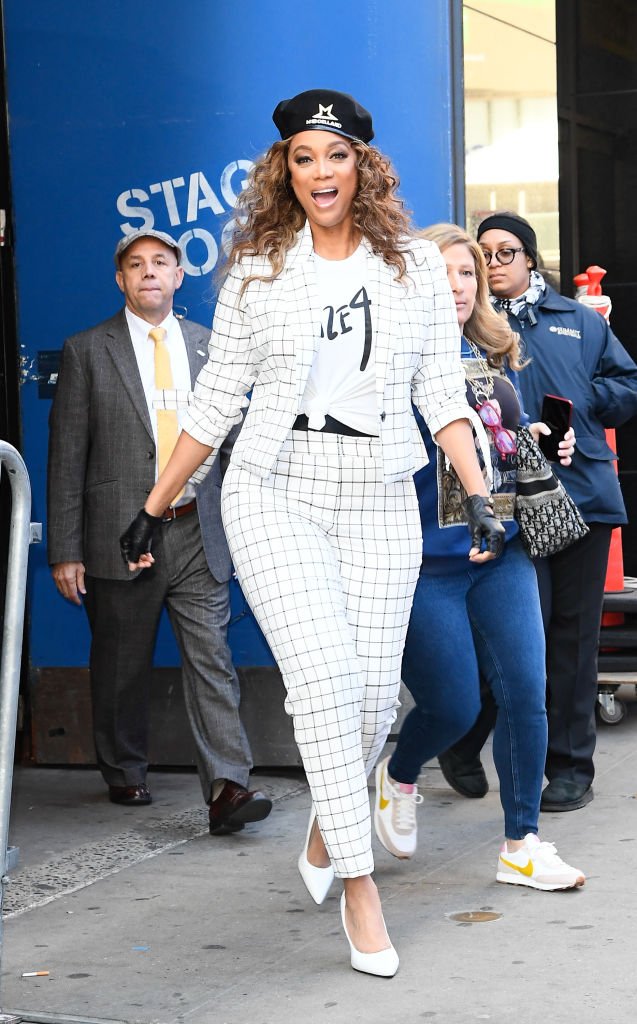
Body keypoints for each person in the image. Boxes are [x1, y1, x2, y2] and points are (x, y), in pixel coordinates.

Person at [119, 89, 504, 977]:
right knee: (324, 681)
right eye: (302, 157)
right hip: (273, 489)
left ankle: (331, 823)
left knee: (373, 700)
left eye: (334, 156)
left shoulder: (409, 266)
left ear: (362, 166)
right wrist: (154, 503)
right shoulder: (256, 270)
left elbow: (440, 395)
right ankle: (360, 884)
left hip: (376, 494)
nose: (319, 172)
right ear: (283, 170)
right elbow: (216, 405)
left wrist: (478, 492)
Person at [373, 222, 586, 891]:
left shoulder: (492, 355)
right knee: (455, 707)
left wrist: (544, 448)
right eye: (442, 273)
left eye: (466, 273)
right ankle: (400, 773)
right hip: (426, 568)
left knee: (527, 693)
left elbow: (501, 444)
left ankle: (521, 842)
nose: (458, 285)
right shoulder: (386, 365)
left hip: (503, 554)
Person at [47, 228, 272, 837]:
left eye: (161, 263)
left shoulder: (210, 347)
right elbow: (68, 454)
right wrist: (65, 550)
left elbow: (233, 444)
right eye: (136, 265)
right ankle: (123, 766)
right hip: (121, 532)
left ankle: (228, 785)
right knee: (121, 662)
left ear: (179, 276)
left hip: (198, 527)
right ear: (121, 280)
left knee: (211, 659)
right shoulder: (88, 349)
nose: (150, 272)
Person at [438, 212, 637, 812]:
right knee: (512, 638)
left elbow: (626, 386)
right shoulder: (467, 326)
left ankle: (572, 768)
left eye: (506, 252)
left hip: (582, 500)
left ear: (530, 259)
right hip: (508, 506)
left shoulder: (578, 320)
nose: (494, 264)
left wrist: (578, 405)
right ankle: (462, 735)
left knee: (573, 641)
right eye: (485, 255)